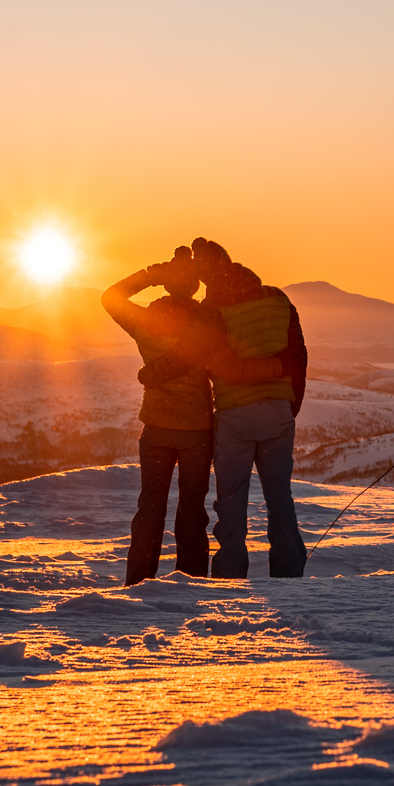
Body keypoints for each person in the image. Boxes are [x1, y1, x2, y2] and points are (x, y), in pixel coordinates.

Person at [102, 249, 283, 585]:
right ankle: (191, 580)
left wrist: (153, 272)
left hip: (156, 427)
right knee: (192, 510)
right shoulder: (207, 321)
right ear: (195, 287)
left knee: (150, 508)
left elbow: (110, 296)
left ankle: (139, 581)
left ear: (168, 285)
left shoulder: (145, 322)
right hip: (197, 429)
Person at [139, 238, 309, 577]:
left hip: (235, 417)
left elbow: (185, 355)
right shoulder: (278, 298)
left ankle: (230, 578)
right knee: (280, 498)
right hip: (278, 413)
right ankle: (290, 576)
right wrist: (290, 406)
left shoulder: (211, 310)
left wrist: (149, 374)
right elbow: (299, 356)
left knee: (231, 501)